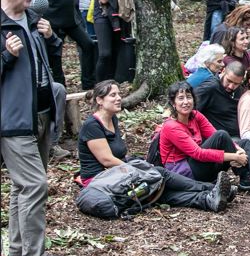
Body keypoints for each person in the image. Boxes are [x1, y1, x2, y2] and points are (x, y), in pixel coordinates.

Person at [1, 0, 68, 256]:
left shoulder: (32, 18)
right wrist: (5, 56)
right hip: (13, 122)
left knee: (22, 186)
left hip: (41, 114)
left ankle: (16, 252)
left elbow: (49, 61)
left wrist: (52, 37)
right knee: (35, 185)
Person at [76, 80, 233, 212]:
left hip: (118, 172)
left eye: (119, 94)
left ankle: (208, 197)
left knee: (158, 186)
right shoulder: (92, 126)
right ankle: (209, 190)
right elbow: (107, 160)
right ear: (99, 100)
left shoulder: (112, 119)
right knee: (158, 177)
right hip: (100, 180)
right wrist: (139, 169)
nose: (119, 98)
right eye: (113, 95)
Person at [156, 81, 250, 195]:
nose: (186, 102)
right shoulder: (171, 126)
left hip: (201, 168)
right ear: (173, 103)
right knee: (221, 135)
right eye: (181, 98)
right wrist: (234, 157)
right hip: (185, 174)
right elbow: (198, 153)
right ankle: (247, 177)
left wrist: (238, 150)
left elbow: (215, 135)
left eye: (189, 97)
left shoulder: (196, 116)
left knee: (243, 142)